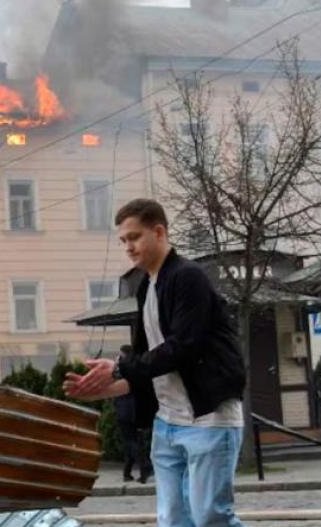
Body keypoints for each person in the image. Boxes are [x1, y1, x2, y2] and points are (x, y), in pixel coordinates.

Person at [64, 199, 246, 527]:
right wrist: (99, 390)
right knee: (173, 520)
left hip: (209, 419)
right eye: (123, 241)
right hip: (168, 424)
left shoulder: (188, 277)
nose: (128, 247)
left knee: (210, 518)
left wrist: (118, 367)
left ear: (159, 232)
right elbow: (148, 366)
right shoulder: (147, 286)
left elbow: (182, 348)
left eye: (134, 237)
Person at [112, 346, 151, 484]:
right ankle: (127, 472)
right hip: (134, 409)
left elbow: (114, 378)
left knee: (131, 442)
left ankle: (144, 467)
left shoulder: (123, 370)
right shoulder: (135, 368)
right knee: (132, 443)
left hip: (125, 411)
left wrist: (117, 363)